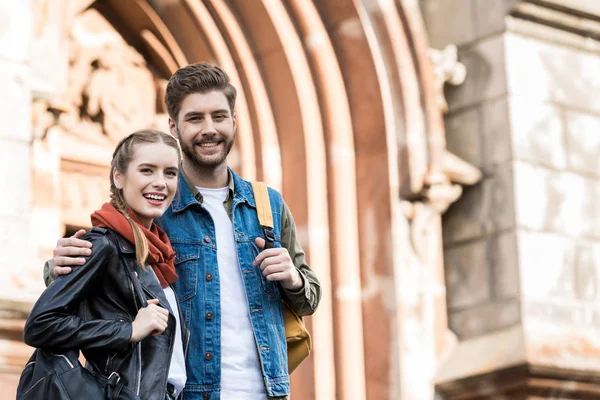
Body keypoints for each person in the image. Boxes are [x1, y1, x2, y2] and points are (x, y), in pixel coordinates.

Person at [45, 63, 322, 400]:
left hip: (268, 391)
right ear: (174, 127)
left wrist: (293, 279)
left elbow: (310, 298)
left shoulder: (268, 205)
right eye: (195, 119)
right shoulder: (155, 208)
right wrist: (56, 265)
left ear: (233, 121)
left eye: (219, 116)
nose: (210, 129)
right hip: (186, 393)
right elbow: (93, 275)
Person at [28, 130, 187, 400]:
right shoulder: (104, 245)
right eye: (147, 171)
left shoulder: (160, 254)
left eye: (170, 173)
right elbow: (40, 324)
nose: (160, 182)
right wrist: (129, 330)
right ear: (118, 177)